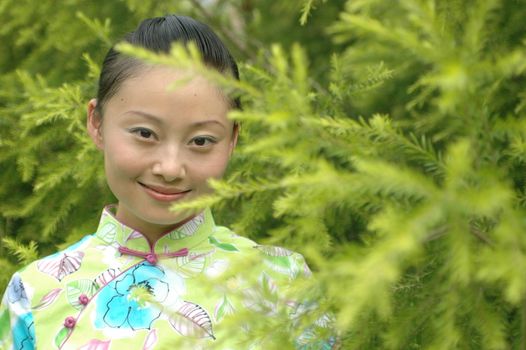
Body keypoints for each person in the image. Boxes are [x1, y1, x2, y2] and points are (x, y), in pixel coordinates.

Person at [0, 14, 336, 349]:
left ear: (232, 138)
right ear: (97, 122)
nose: (171, 168)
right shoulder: (34, 293)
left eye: (201, 141)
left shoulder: (282, 283)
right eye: (145, 133)